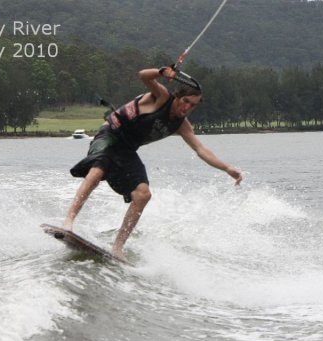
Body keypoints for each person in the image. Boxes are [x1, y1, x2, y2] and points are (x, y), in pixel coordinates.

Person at [63, 66, 243, 260]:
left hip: (127, 149)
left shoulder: (182, 125)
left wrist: (226, 168)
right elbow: (143, 76)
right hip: (110, 135)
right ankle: (68, 222)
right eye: (186, 102)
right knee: (98, 169)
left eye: (193, 106)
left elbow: (201, 150)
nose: (187, 108)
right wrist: (162, 71)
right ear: (178, 96)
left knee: (143, 194)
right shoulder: (162, 97)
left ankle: (117, 248)